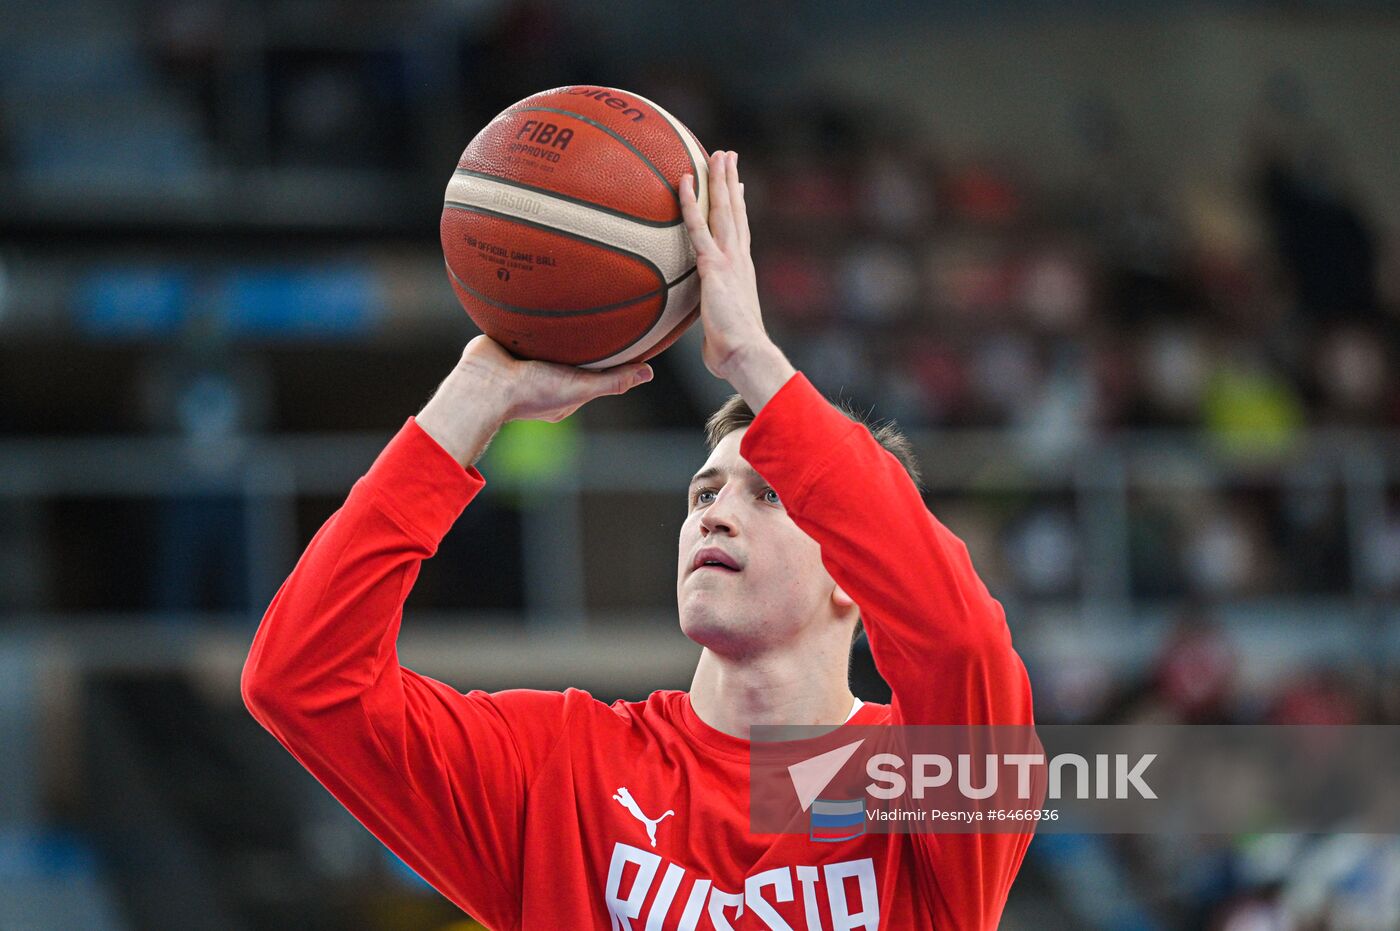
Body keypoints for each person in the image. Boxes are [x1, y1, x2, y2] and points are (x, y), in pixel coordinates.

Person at [242, 150, 1035, 929]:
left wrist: (752, 360)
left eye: (770, 494)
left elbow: (959, 639)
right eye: (704, 491)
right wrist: (472, 397)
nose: (716, 512)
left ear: (855, 576)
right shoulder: (559, 768)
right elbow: (303, 678)